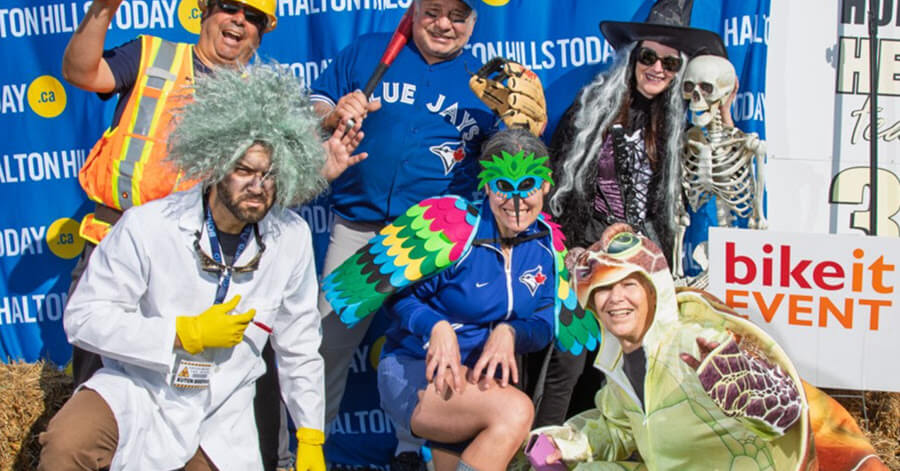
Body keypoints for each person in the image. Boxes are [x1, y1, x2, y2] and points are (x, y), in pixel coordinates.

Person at [39, 64, 364, 471]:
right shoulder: (148, 225)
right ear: (215, 164)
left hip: (220, 409)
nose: (258, 186)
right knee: (69, 442)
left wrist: (311, 435)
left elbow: (299, 345)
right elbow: (84, 318)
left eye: (270, 174)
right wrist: (181, 333)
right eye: (244, 170)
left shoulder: (290, 236)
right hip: (138, 388)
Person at [61, 3, 305, 468]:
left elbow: (269, 190)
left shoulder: (262, 99)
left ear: (261, 34)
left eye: (253, 17)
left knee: (212, 396)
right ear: (205, 13)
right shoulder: (153, 55)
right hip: (118, 242)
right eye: (230, 8)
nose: (239, 21)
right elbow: (80, 72)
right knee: (100, 390)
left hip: (201, 262)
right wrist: (102, 10)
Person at [309, 0, 546, 467]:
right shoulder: (369, 51)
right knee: (325, 348)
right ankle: (302, 451)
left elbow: (509, 167)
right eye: (432, 11)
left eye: (457, 16)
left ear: (474, 22)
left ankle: (411, 451)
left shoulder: (486, 83)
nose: (443, 24)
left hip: (436, 237)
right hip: (360, 228)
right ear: (414, 11)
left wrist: (525, 131)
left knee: (432, 345)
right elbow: (315, 105)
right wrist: (332, 115)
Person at [321, 129, 596, 471]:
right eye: (503, 186)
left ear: (545, 186)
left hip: (484, 383)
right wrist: (436, 326)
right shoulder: (458, 231)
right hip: (418, 371)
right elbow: (399, 298)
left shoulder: (545, 246)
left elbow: (544, 322)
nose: (515, 202)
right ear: (487, 187)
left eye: (527, 185)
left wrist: (511, 332)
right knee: (516, 411)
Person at [535, 0, 729, 426]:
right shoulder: (593, 108)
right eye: (648, 57)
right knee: (569, 359)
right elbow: (559, 183)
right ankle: (541, 445)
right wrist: (572, 248)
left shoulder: (679, 124)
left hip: (643, 263)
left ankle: (631, 445)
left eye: (669, 63)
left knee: (640, 364)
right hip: (587, 252)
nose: (657, 68)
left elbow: (689, 194)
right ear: (632, 58)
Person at [530, 223, 815, 470]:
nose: (615, 298)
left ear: (653, 291)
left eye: (629, 284)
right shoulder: (618, 362)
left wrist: (745, 389)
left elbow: (787, 415)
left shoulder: (697, 342)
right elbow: (618, 430)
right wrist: (564, 445)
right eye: (603, 288)